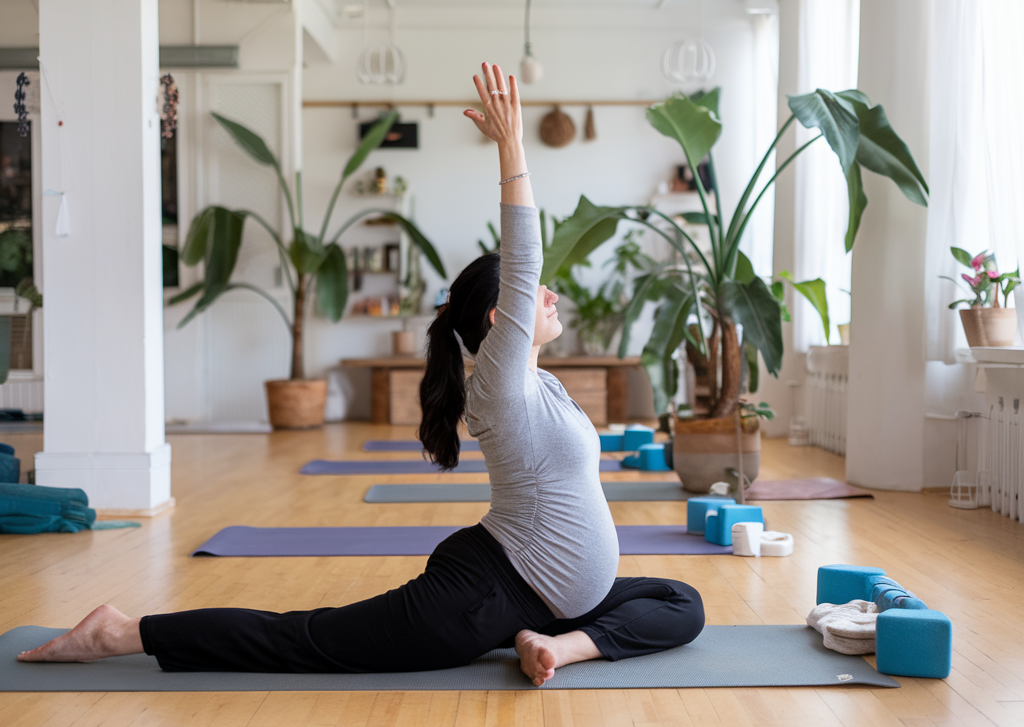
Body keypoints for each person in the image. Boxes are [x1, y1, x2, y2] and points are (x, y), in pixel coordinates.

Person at [18, 63, 704, 686]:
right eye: (536, 294)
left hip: (549, 599)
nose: (550, 294)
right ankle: (119, 631)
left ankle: (562, 645)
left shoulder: (543, 382)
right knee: (305, 638)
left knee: (683, 602)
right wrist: (511, 147)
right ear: (503, 317)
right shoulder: (500, 383)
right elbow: (523, 262)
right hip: (483, 594)